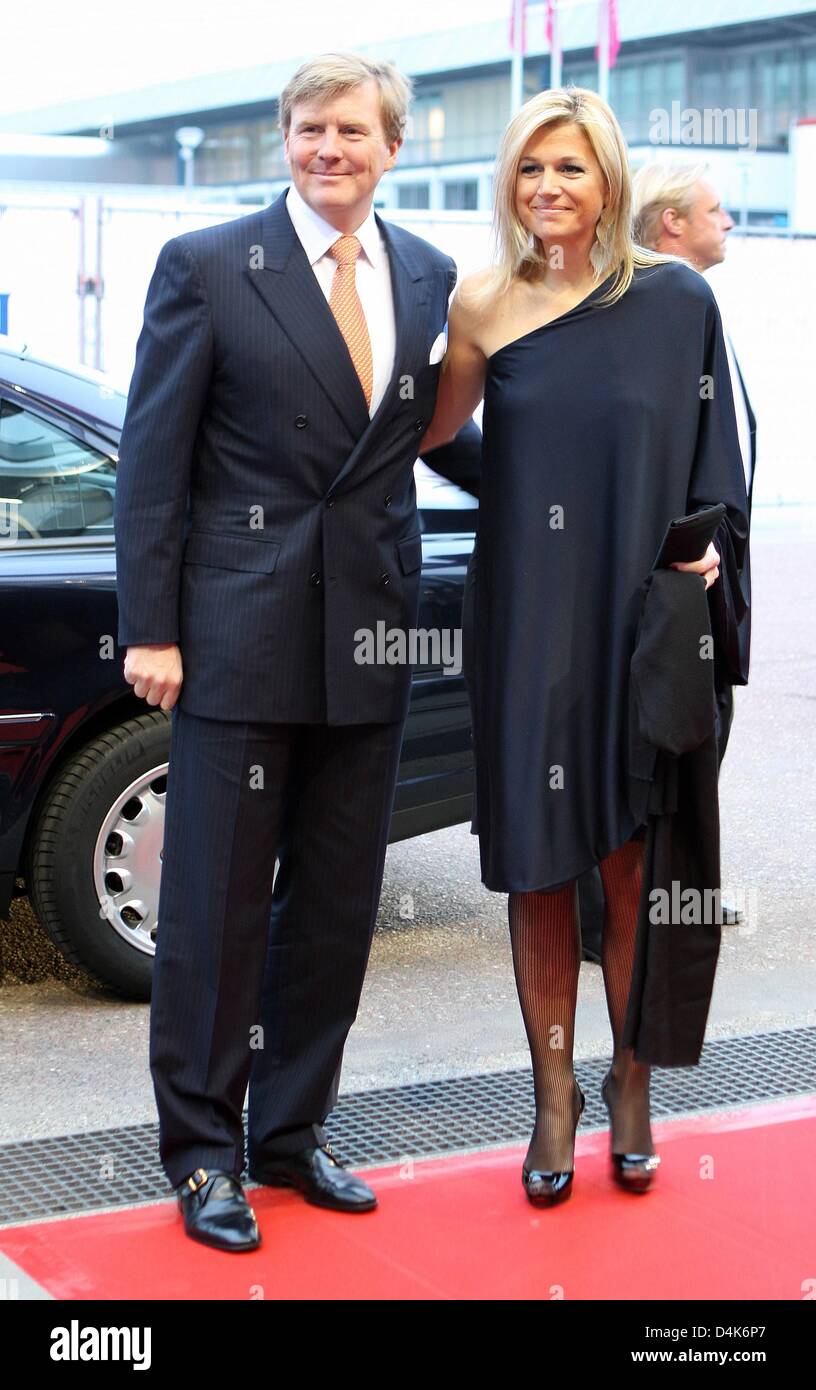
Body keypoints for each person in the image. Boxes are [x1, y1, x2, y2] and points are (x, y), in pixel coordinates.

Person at [114, 50, 481, 1253]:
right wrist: (155, 627)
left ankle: (290, 1132)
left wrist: (620, 506)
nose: (330, 149)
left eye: (353, 132)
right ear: (286, 137)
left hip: (369, 633)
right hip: (236, 633)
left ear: (393, 146)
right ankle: (204, 1155)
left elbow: (434, 442)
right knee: (215, 914)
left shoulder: (428, 279)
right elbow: (155, 464)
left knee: (332, 907)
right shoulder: (210, 266)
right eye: (311, 128)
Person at [420, 87, 750, 1207]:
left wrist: (705, 554)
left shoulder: (674, 299)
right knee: (540, 864)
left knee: (632, 862)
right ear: (507, 185)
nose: (549, 188)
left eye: (570, 167)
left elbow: (717, 454)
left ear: (608, 179)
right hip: (525, 616)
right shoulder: (482, 302)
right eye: (529, 170)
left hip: (640, 616)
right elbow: (433, 434)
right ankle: (551, 1093)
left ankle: (632, 1084)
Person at [632, 160, 756, 776]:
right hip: (686, 567)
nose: (729, 220)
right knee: (677, 751)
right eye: (715, 210)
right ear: (672, 222)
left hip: (710, 562)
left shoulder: (696, 303)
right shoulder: (661, 307)